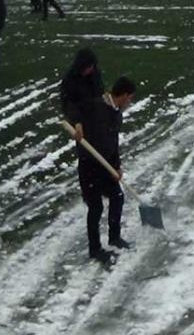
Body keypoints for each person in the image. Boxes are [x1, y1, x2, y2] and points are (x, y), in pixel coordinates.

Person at [74, 76, 137, 263]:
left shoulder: (116, 114)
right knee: (96, 207)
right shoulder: (95, 107)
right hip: (89, 165)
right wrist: (77, 126)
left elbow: (113, 143)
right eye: (130, 98)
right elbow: (74, 112)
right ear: (124, 95)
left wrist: (116, 166)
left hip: (106, 165)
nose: (130, 102)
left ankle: (115, 237)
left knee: (117, 197)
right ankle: (95, 249)